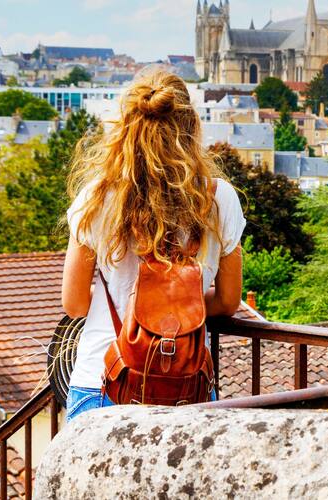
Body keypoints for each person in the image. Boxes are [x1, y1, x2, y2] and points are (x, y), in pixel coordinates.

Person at [60, 68, 245, 422]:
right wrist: (178, 308)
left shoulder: (96, 198)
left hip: (103, 379)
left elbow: (75, 303)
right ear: (191, 128)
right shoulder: (219, 199)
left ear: (126, 128)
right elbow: (227, 300)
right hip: (185, 387)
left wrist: (131, 300)